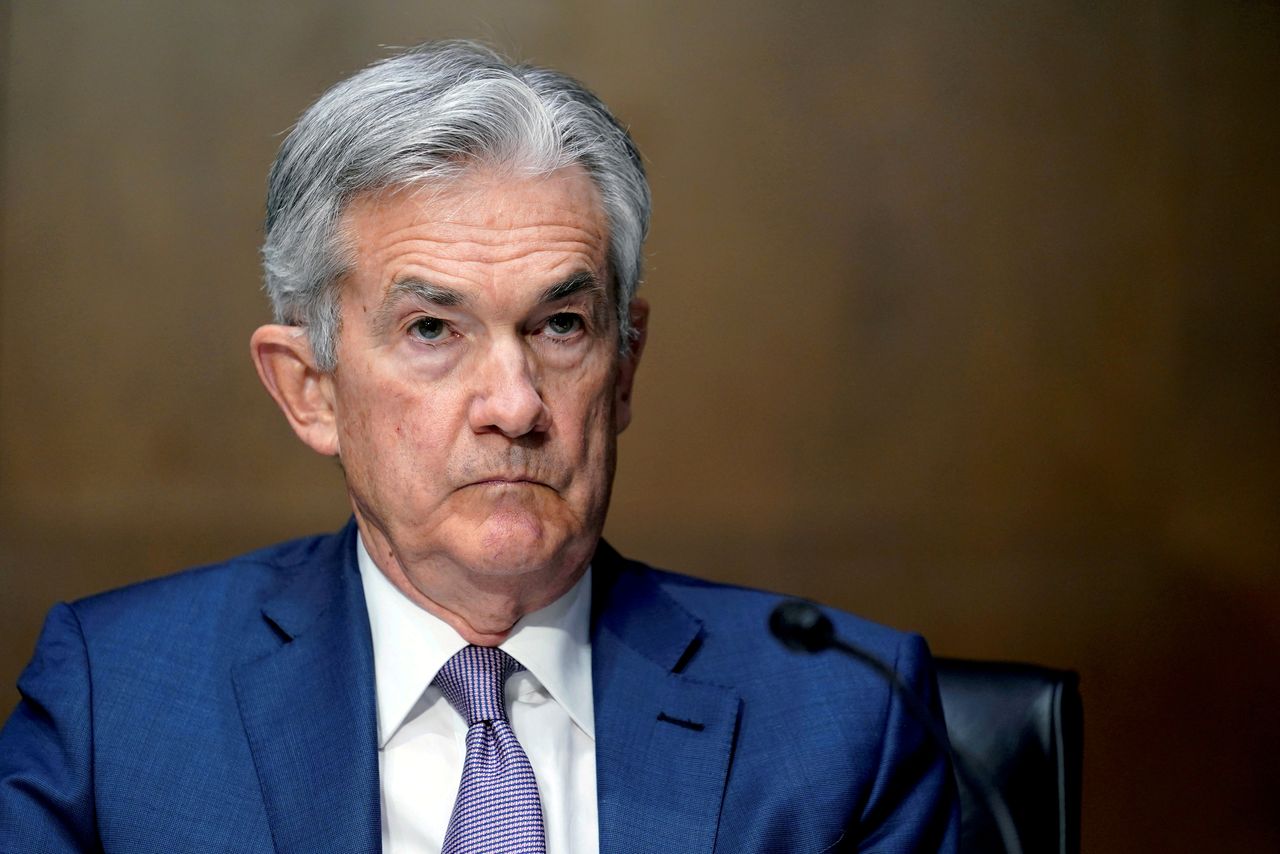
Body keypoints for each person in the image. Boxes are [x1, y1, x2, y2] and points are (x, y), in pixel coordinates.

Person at [0, 41, 958, 853]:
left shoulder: (841, 723)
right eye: (431, 330)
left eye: (561, 326)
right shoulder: (113, 705)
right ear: (310, 389)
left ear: (623, 370)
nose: (514, 405)